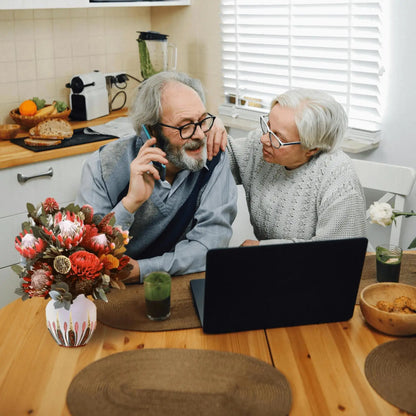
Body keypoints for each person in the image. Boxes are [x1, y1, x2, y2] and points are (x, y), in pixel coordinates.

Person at [75, 71, 237, 282]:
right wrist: (130, 203)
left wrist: (142, 270)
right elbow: (89, 254)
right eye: (185, 126)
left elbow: (209, 245)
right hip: (114, 285)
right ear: (151, 131)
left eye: (202, 121)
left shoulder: (214, 156)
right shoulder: (101, 165)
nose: (198, 135)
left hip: (182, 281)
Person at [208, 88, 367, 246]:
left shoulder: (339, 177)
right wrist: (210, 125)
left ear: (311, 149)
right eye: (267, 125)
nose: (264, 139)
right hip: (274, 264)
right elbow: (219, 157)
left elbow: (337, 253)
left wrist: (262, 250)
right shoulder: (262, 145)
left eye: (278, 136)